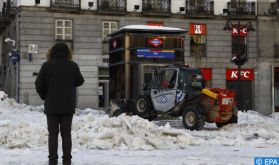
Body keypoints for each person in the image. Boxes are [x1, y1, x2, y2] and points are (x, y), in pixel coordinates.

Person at [35, 43, 84, 165]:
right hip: (68, 106)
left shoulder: (46, 66)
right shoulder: (73, 66)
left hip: (51, 107)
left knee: (53, 135)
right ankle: (67, 160)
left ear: (52, 52)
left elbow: (38, 84)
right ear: (68, 52)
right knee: (66, 135)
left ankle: (53, 161)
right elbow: (80, 81)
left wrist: (45, 96)